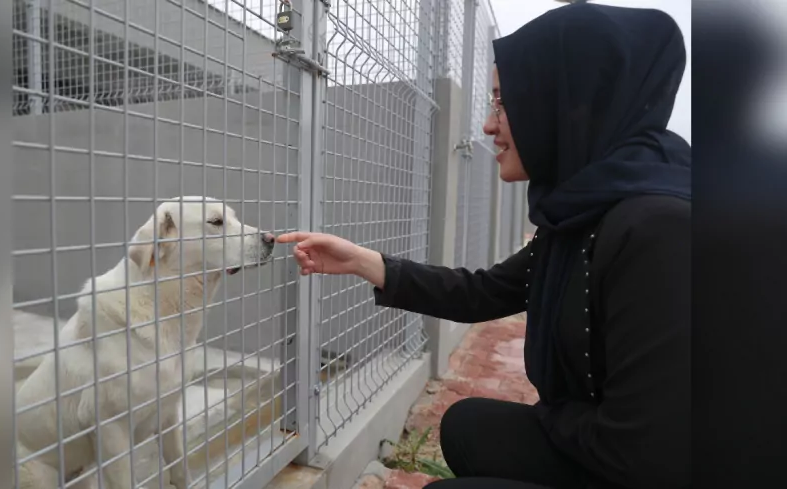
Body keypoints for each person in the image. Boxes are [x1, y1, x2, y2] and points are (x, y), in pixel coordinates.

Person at [278, 4, 690, 489]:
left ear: (566, 102)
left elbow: (647, 456)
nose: (488, 126)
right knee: (466, 425)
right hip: (604, 446)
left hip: (649, 470)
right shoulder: (584, 210)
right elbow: (487, 291)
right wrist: (363, 262)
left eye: (502, 102)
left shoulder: (661, 232)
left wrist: (555, 416)